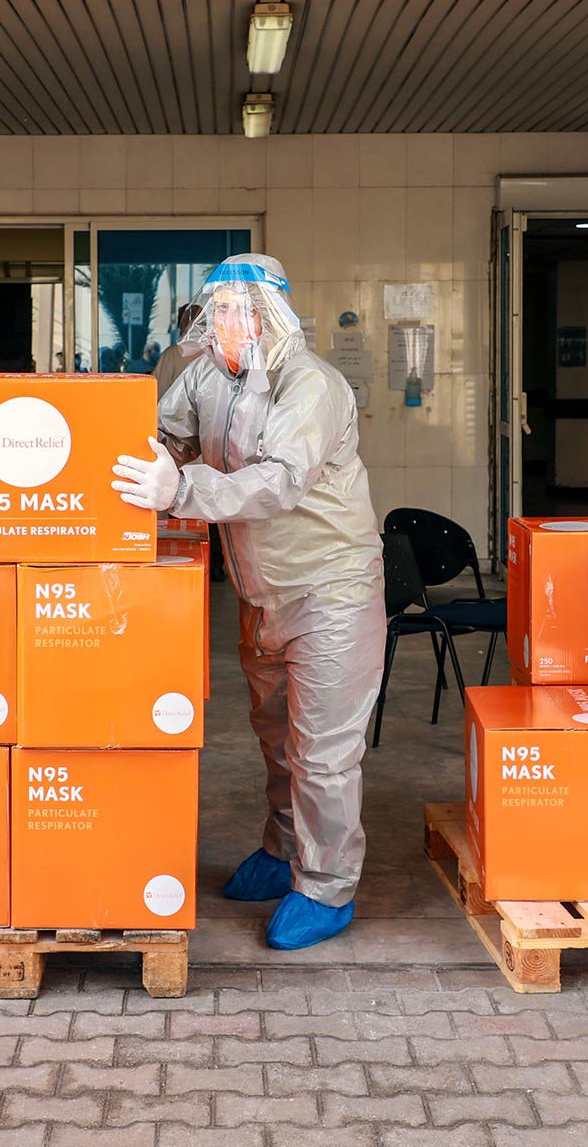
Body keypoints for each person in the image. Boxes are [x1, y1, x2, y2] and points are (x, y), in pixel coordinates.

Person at [111, 254, 383, 950]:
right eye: (221, 309)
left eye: (247, 309)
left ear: (276, 314)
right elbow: (164, 435)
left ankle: (326, 885)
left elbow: (279, 480)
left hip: (330, 590)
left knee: (322, 748)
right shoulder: (207, 374)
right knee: (275, 734)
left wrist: (182, 491)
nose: (232, 323)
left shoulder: (310, 384)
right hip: (261, 592)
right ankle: (283, 846)